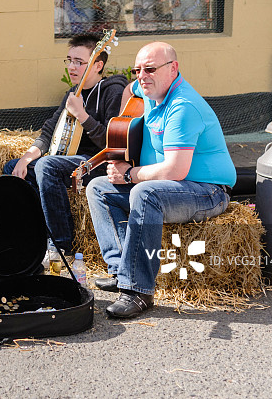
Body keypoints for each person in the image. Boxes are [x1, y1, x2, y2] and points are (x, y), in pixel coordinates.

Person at [85, 41, 235, 319]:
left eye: (150, 69)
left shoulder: (183, 106)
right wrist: (124, 126)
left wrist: (130, 173)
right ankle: (121, 272)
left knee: (144, 194)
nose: (142, 76)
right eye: (137, 69)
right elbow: (131, 90)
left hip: (207, 191)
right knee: (98, 188)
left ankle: (138, 291)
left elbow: (176, 170)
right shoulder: (149, 88)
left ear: (173, 68)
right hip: (172, 186)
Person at [3, 34, 128, 255]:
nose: (72, 67)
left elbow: (111, 143)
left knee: (47, 166)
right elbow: (49, 132)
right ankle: (35, 236)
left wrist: (82, 115)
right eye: (69, 60)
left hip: (96, 164)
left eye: (79, 62)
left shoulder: (112, 91)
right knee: (13, 169)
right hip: (68, 161)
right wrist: (25, 158)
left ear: (98, 65)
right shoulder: (72, 93)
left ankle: (61, 245)